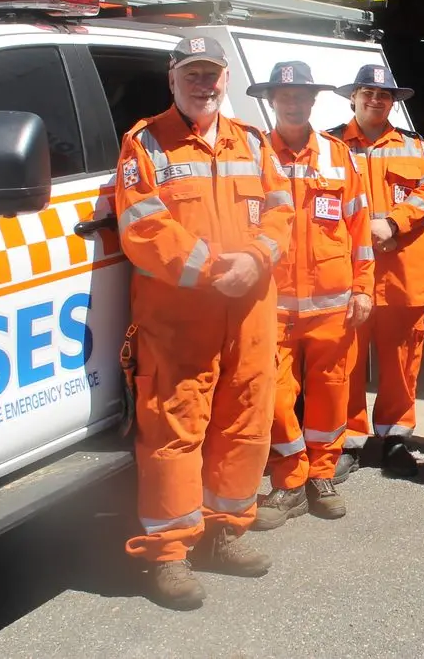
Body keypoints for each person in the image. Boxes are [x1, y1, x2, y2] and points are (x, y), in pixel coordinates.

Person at [115, 35, 294, 609]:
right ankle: (169, 553)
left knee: (246, 418)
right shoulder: (145, 143)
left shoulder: (253, 142)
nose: (203, 83)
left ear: (225, 79)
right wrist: (218, 269)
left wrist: (257, 258)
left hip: (249, 309)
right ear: (172, 79)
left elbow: (281, 208)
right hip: (180, 313)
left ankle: (225, 531)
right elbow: (144, 227)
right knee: (174, 428)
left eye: (212, 73)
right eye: (191, 73)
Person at [249, 61, 374, 528]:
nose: (293, 102)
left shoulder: (337, 155)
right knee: (276, 396)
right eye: (284, 95)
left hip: (332, 303)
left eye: (301, 95)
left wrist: (363, 287)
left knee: (330, 393)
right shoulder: (255, 152)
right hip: (271, 303)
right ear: (272, 100)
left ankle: (321, 475)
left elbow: (359, 226)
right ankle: (289, 480)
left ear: (313, 100)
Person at [331, 63, 424, 480]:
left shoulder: (413, 146)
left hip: (401, 275)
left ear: (393, 101)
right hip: (347, 274)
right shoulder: (330, 145)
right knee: (347, 362)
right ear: (353, 97)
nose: (375, 99)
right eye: (367, 91)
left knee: (401, 362)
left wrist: (393, 223)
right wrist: (362, 232)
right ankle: (351, 440)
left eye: (383, 94)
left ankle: (396, 438)